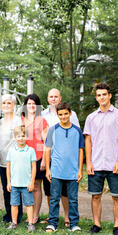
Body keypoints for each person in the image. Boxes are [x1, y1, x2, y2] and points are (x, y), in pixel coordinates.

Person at [83, 82, 118, 235]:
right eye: (98, 95)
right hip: (96, 163)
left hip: (113, 163)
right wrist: (88, 162)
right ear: (96, 98)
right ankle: (97, 224)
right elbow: (88, 141)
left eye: (104, 94)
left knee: (117, 196)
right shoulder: (91, 118)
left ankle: (117, 226)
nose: (101, 97)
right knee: (95, 195)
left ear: (109, 95)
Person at [40, 88, 80, 227]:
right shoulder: (43, 114)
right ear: (48, 99)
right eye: (51, 96)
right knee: (51, 192)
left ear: (60, 98)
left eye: (56, 96)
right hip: (51, 157)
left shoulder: (72, 115)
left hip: (68, 161)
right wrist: (45, 162)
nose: (53, 99)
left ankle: (68, 217)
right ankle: (53, 219)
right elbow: (43, 140)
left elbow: (77, 141)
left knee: (68, 193)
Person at [21, 94, 48, 225]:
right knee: (26, 186)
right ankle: (28, 213)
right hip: (24, 157)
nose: (31, 106)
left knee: (36, 186)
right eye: (29, 103)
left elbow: (47, 141)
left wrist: (43, 160)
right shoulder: (20, 120)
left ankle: (35, 215)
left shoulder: (41, 121)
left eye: (34, 104)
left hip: (38, 157)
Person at [0, 94, 23, 224]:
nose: (7, 106)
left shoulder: (18, 121)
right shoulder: (0, 121)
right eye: (4, 103)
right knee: (6, 188)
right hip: (2, 160)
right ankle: (9, 213)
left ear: (14, 105)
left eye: (9, 103)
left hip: (15, 160)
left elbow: (21, 140)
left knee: (16, 188)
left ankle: (17, 215)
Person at [6, 125, 37, 232]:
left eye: (23, 136)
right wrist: (9, 182)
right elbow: (8, 167)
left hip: (26, 184)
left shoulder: (31, 151)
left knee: (29, 204)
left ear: (26, 137)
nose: (21, 138)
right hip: (14, 183)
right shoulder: (11, 151)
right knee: (14, 204)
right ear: (15, 137)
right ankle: (14, 222)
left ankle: (30, 223)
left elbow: (34, 167)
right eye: (18, 136)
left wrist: (32, 182)